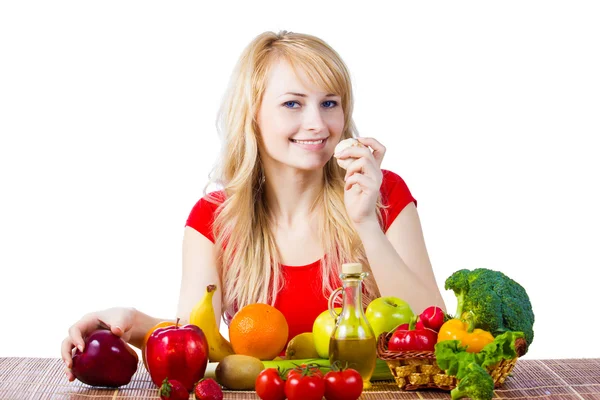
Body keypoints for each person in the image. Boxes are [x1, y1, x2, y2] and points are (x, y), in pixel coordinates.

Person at [61, 30, 446, 381]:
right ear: (253, 116)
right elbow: (194, 343)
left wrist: (365, 223)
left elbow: (438, 329)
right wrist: (130, 322)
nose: (317, 123)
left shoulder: (383, 192)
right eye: (293, 104)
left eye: (330, 103)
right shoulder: (213, 219)